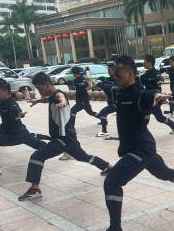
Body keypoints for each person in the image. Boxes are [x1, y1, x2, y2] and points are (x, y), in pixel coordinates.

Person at [92, 55, 174, 231]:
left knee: (112, 182)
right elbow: (108, 85)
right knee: (164, 173)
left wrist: (156, 97)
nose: (115, 77)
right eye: (114, 74)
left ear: (130, 73)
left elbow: (149, 96)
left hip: (140, 150)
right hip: (140, 148)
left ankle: (115, 229)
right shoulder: (119, 91)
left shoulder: (139, 94)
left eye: (118, 74)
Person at [16, 72, 112, 201]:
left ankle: (34, 189)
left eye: (40, 88)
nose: (39, 91)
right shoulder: (52, 95)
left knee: (37, 156)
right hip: (68, 137)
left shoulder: (58, 94)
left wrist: (63, 102)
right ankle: (109, 167)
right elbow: (48, 99)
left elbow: (61, 97)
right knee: (83, 157)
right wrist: (38, 100)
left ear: (46, 83)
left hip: (62, 139)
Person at [0, 78, 46, 177]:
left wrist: (20, 114)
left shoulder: (11, 103)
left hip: (17, 134)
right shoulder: (2, 101)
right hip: (7, 130)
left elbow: (16, 110)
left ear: (6, 92)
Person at [139, 54, 174, 135]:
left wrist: (160, 81)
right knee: (150, 115)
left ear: (149, 63)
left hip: (156, 99)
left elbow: (160, 78)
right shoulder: (144, 75)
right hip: (148, 98)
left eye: (145, 62)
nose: (143, 63)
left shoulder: (156, 73)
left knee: (156, 117)